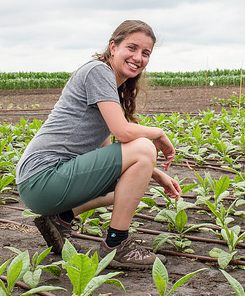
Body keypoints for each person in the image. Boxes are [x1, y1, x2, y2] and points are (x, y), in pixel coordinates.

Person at [16, 20, 182, 269]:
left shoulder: (109, 88)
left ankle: (61, 218)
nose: (138, 57)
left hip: (42, 183)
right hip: (42, 178)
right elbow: (123, 132)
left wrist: (153, 172)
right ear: (113, 47)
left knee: (132, 181)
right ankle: (117, 244)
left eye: (145, 53)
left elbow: (105, 151)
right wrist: (157, 134)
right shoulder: (98, 71)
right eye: (132, 48)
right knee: (145, 147)